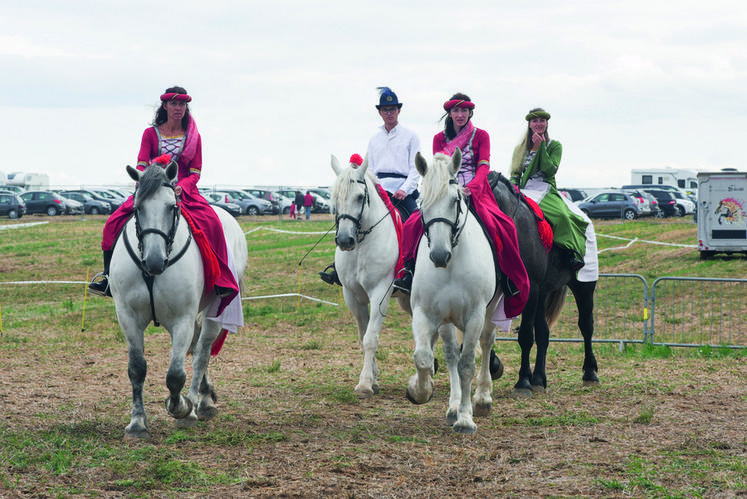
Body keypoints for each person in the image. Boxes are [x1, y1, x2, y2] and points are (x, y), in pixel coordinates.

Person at [88, 86, 239, 313]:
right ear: (165, 106)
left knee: (213, 223)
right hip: (151, 188)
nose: (178, 108)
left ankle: (220, 281)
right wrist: (144, 178)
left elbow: (196, 171)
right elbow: (140, 162)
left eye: (182, 104)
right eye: (174, 104)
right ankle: (107, 278)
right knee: (112, 224)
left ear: (186, 107)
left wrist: (181, 187)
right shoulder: (150, 134)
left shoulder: (194, 136)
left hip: (183, 190)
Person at [393, 93, 529, 323]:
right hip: (446, 189)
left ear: (469, 113)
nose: (460, 115)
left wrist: (472, 188)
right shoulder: (439, 138)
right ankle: (408, 272)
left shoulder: (481, 136)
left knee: (502, 226)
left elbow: (484, 166)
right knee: (411, 225)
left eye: (464, 111)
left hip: (476, 189)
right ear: (450, 114)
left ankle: (505, 277)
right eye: (456, 111)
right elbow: (437, 168)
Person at [319, 86, 420, 286]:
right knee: (353, 217)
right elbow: (370, 170)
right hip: (379, 189)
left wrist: (404, 189)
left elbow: (415, 169)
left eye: (392, 109)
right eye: (385, 110)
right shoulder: (374, 140)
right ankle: (342, 269)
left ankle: (411, 270)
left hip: (402, 190)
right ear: (380, 112)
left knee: (415, 224)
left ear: (398, 111)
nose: (389, 113)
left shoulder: (411, 136)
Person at [509, 108, 587, 271]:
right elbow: (515, 174)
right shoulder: (520, 148)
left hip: (545, 187)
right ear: (529, 124)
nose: (539, 124)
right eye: (535, 121)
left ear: (546, 124)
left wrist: (540, 147)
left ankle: (570, 252)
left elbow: (550, 170)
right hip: (525, 188)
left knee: (562, 216)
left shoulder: (554, 145)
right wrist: (513, 189)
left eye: (542, 121)